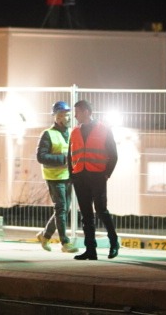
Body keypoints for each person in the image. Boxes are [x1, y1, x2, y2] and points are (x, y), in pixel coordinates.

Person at [68, 99, 118, 260]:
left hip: (97, 176)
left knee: (101, 210)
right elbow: (70, 156)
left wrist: (106, 174)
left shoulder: (104, 129)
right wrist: (72, 175)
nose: (75, 116)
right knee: (86, 215)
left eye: (77, 112)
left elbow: (114, 155)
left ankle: (114, 243)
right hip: (80, 177)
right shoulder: (74, 132)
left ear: (87, 112)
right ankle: (91, 250)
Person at [36, 100, 80, 253]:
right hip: (55, 177)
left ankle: (45, 235)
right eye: (63, 115)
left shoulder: (72, 132)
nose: (67, 118)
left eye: (68, 115)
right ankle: (65, 243)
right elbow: (41, 157)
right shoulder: (48, 134)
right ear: (56, 117)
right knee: (61, 208)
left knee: (63, 210)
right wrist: (63, 159)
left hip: (69, 176)